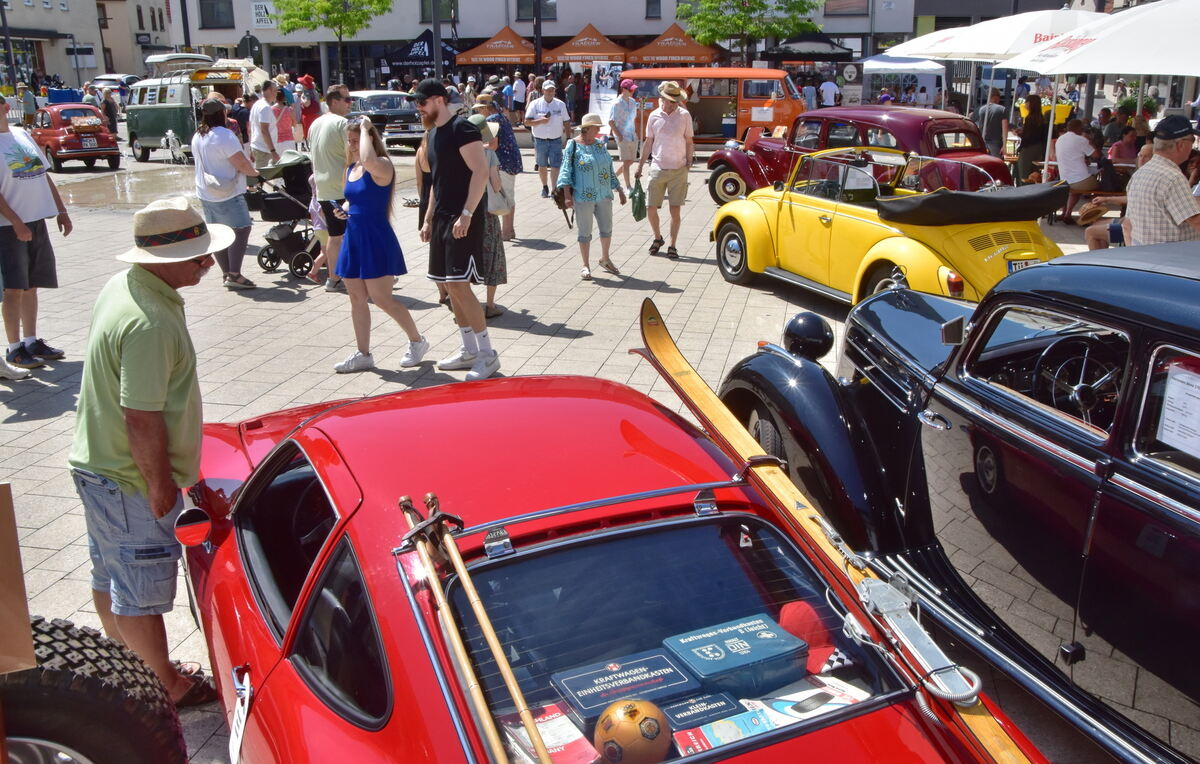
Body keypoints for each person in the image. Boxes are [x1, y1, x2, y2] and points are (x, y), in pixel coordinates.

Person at [68, 197, 226, 709]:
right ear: (161, 260)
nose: (208, 262)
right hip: (128, 479)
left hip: (98, 465)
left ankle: (130, 665)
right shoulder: (152, 322)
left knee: (111, 573)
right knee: (139, 589)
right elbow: (141, 416)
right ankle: (164, 688)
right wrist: (159, 486)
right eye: (197, 256)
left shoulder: (125, 285)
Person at [411, 78, 501, 381]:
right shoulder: (433, 134)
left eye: (422, 103)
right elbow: (436, 182)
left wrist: (466, 214)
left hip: (463, 218)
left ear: (439, 100)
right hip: (442, 219)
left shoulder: (462, 129)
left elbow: (480, 171)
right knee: (450, 287)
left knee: (460, 285)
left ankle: (487, 353)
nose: (419, 108)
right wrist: (427, 219)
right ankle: (469, 349)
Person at [329, 117, 429, 373]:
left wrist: (365, 128)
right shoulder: (351, 169)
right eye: (349, 141)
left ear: (370, 139)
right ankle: (363, 354)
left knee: (382, 299)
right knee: (356, 298)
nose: (352, 146)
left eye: (356, 140)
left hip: (375, 238)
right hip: (354, 237)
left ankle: (417, 341)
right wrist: (343, 209)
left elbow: (369, 160)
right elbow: (353, 199)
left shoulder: (381, 164)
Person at [0, 97, 71, 374]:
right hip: (8, 227)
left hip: (36, 220)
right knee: (14, 288)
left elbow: (43, 174)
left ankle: (31, 342)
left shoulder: (21, 134)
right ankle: (14, 348)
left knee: (32, 285)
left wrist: (61, 210)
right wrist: (16, 222)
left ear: (6, 108)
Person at [192, 98, 259, 289]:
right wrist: (255, 174)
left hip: (206, 191)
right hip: (228, 191)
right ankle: (234, 274)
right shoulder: (224, 135)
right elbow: (241, 163)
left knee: (219, 232)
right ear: (222, 113)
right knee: (242, 228)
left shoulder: (198, 135)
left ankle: (226, 273)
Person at [558, 113, 626, 281]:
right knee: (585, 232)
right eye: (596, 128)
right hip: (583, 196)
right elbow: (565, 170)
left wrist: (619, 189)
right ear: (587, 128)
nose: (598, 130)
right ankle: (585, 265)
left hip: (604, 194)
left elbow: (609, 169)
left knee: (606, 229)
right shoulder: (573, 145)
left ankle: (605, 259)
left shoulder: (600, 144)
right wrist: (567, 196)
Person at [635, 81, 692, 260]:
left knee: (675, 210)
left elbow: (689, 140)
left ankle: (672, 245)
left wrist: (689, 162)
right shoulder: (654, 116)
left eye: (676, 101)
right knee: (651, 207)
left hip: (678, 169)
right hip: (657, 167)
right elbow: (648, 142)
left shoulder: (684, 115)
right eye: (671, 101)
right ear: (663, 99)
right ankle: (658, 237)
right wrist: (640, 166)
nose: (674, 104)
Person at [1125, 115, 1200, 246]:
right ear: (1181, 145)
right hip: (1174, 256)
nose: (1193, 145)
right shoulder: (1173, 178)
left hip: (1144, 254)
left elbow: (1127, 225)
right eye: (1192, 140)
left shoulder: (1140, 174)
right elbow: (1196, 221)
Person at [307, 85, 352, 291]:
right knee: (355, 234)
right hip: (343, 188)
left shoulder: (315, 123)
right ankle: (371, 275)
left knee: (335, 235)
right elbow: (352, 154)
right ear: (334, 101)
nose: (350, 103)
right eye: (347, 99)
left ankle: (333, 279)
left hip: (323, 188)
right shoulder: (342, 123)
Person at [466, 114, 508, 318]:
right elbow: (496, 184)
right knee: (492, 252)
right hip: (485, 208)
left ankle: (466, 302)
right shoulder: (489, 154)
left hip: (465, 207)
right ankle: (490, 304)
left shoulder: (460, 152)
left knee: (466, 252)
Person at [475, 93, 522, 241]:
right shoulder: (502, 116)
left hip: (503, 163)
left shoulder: (491, 120)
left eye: (479, 109)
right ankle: (510, 230)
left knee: (505, 196)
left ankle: (506, 232)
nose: (478, 112)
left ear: (485, 108)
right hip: (512, 161)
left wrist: (477, 147)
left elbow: (492, 145)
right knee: (509, 196)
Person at [525, 81, 571, 198]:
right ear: (543, 91)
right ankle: (545, 186)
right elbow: (527, 122)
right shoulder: (535, 104)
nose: (550, 92)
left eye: (552, 90)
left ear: (555, 91)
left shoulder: (560, 104)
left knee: (556, 165)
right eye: (548, 90)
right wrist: (541, 121)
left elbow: (566, 121)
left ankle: (554, 189)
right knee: (542, 165)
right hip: (540, 140)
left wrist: (568, 137)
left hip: (556, 140)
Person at [1055, 119, 1099, 223]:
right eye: (1082, 128)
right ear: (1078, 128)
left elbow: (1071, 156)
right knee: (1100, 187)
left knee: (1075, 189)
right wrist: (1089, 141)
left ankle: (1066, 213)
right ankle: (1088, 214)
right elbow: (1096, 155)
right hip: (1080, 180)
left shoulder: (1060, 139)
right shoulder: (1081, 139)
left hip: (1064, 180)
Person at [609, 79, 639, 193]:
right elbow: (610, 121)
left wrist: (636, 132)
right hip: (622, 136)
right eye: (630, 89)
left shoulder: (633, 102)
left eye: (633, 89)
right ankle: (628, 187)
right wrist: (619, 135)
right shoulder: (616, 104)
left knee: (631, 161)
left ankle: (613, 178)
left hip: (632, 135)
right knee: (626, 161)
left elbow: (633, 119)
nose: (632, 91)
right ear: (623, 89)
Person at [1015, 94, 1047, 184]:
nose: (1025, 104)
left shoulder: (1030, 118)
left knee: (1024, 175)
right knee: (1034, 175)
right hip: (1039, 149)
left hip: (1028, 150)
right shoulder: (1041, 118)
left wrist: (1020, 145)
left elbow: (1027, 137)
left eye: (1026, 102)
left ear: (1031, 104)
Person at [249, 81, 280, 167]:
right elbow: (264, 130)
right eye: (275, 90)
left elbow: (251, 128)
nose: (276, 94)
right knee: (264, 175)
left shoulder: (257, 104)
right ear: (270, 90)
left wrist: (251, 147)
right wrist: (273, 151)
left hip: (258, 147)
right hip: (263, 150)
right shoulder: (265, 107)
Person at [974, 88, 1008, 158]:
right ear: (998, 97)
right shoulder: (1002, 109)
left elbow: (975, 124)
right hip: (996, 143)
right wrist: (1004, 145)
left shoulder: (981, 109)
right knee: (997, 163)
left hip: (982, 141)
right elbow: (1005, 128)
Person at [272, 89, 297, 155]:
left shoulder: (271, 110)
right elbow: (294, 124)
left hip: (277, 140)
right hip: (289, 139)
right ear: (284, 98)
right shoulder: (290, 110)